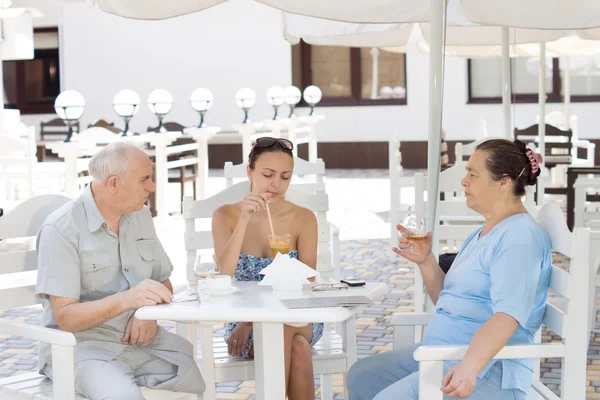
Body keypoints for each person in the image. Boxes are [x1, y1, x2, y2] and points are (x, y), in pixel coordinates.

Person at [347, 139, 552, 400]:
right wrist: (426, 261)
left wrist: (469, 367)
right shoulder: (485, 231)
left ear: (503, 182)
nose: (463, 181)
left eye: (472, 174)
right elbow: (451, 300)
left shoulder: (520, 239)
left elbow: (507, 316)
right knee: (363, 375)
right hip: (444, 351)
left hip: (490, 367)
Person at [36, 142, 205, 400]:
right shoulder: (61, 229)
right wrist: (129, 299)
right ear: (113, 184)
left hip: (140, 342)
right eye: (144, 179)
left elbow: (163, 282)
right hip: (80, 348)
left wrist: (145, 314)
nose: (152, 186)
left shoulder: (140, 216)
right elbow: (66, 318)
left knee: (195, 380)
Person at [212, 137, 323, 400]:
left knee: (282, 328)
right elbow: (223, 277)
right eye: (267, 174)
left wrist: (252, 322)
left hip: (295, 317)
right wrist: (244, 220)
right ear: (249, 171)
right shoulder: (224, 215)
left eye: (285, 177)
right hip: (242, 320)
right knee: (299, 350)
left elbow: (305, 284)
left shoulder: (304, 218)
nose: (276, 184)